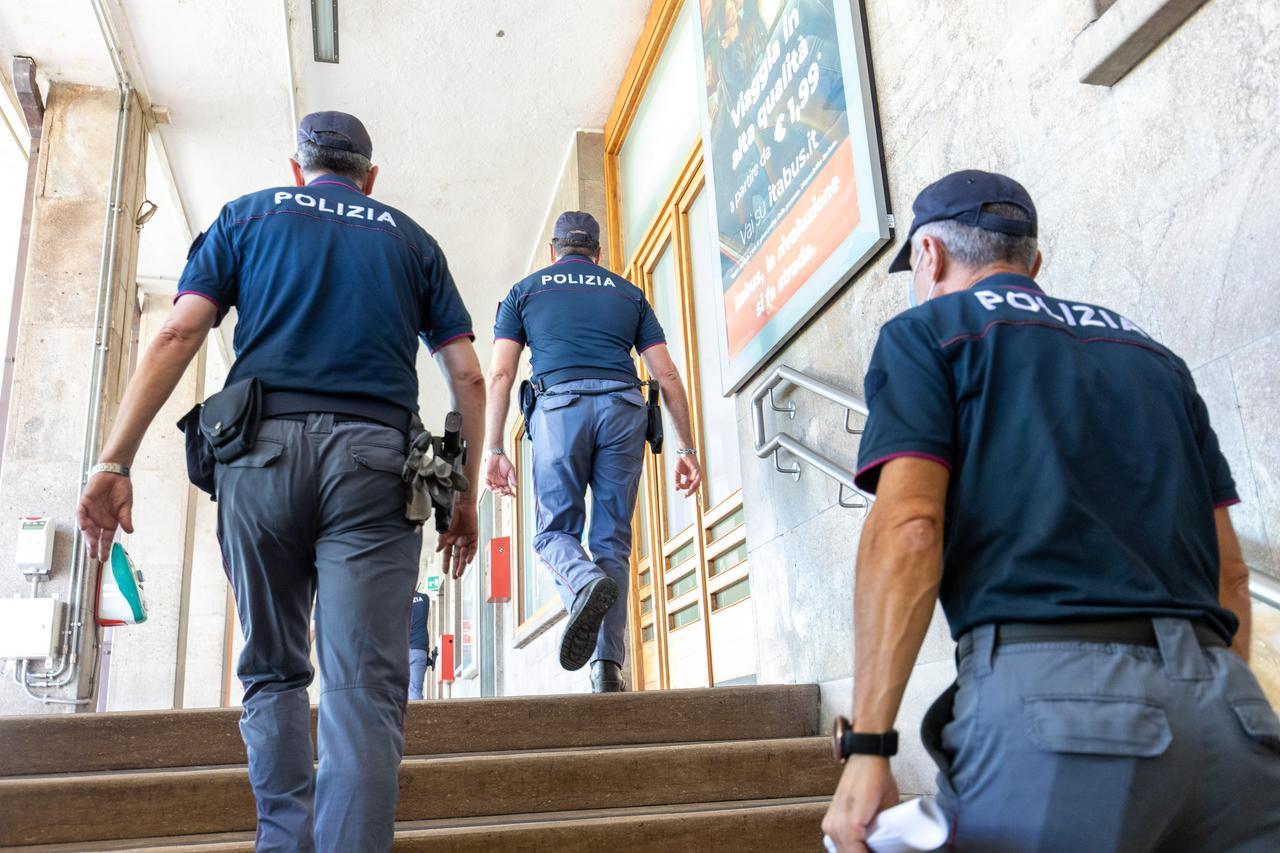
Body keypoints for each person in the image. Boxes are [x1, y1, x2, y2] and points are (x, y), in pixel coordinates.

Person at [821, 170, 1280, 851]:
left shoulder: (927, 334)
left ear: (929, 255)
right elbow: (1232, 576)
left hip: (1062, 717)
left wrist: (868, 745)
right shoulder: (1156, 359)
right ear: (1034, 264)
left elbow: (911, 527)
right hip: (1229, 717)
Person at [75, 111, 486, 852]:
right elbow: (468, 376)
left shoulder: (246, 216)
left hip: (259, 458)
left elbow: (177, 332)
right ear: (371, 177)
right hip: (376, 464)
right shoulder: (411, 238)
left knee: (272, 670)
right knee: (363, 687)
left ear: (296, 169)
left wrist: (115, 460)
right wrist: (463, 496)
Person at [482, 211, 702, 693]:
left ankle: (582, 582)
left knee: (553, 532)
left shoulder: (525, 292)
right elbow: (666, 375)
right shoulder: (628, 293)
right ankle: (607, 669)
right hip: (624, 410)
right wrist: (687, 447)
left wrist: (494, 446)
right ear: (599, 254)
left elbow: (499, 374)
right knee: (612, 543)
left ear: (553, 252)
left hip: (559, 410)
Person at [408, 586, 431, 700]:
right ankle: (415, 717)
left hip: (397, 651)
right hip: (419, 649)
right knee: (415, 689)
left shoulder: (394, 601)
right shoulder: (424, 599)